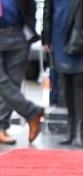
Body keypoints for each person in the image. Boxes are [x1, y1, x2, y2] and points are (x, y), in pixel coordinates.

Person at [42, 0, 83, 146]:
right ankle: (70, 130)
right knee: (66, 85)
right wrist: (46, 36)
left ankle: (79, 131)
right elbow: (48, 8)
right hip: (58, 36)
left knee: (80, 83)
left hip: (81, 38)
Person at [0, 0, 44, 145]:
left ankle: (1, 128)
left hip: (18, 35)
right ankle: (32, 111)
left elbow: (30, 4)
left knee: (13, 83)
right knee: (2, 83)